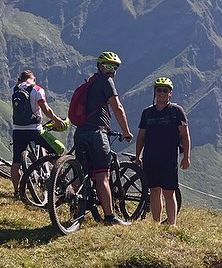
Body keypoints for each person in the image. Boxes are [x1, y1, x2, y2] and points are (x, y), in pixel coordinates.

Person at [73, 51, 134, 226]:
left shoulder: (90, 82)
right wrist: (126, 131)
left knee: (81, 173)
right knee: (102, 176)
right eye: (108, 66)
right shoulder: (106, 81)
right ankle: (109, 217)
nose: (111, 70)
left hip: (81, 132)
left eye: (114, 67)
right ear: (100, 67)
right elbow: (117, 107)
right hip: (97, 133)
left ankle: (76, 209)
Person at [135, 77, 191, 226]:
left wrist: (186, 156)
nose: (162, 93)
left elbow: (185, 135)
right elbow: (141, 136)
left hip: (169, 157)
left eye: (165, 90)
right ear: (155, 92)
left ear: (170, 93)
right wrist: (138, 156)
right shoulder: (147, 113)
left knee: (169, 192)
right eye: (159, 90)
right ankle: (156, 223)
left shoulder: (176, 111)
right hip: (150, 157)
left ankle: (172, 224)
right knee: (154, 191)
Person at [10, 70, 66, 195]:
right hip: (34, 129)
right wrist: (56, 119)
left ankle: (16, 191)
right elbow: (45, 108)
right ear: (33, 79)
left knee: (16, 162)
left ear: (20, 79)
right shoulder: (37, 89)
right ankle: (60, 184)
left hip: (17, 130)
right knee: (57, 152)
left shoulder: (15, 89)